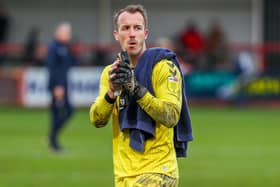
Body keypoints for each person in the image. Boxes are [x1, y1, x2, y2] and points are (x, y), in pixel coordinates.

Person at [89, 4, 193, 187]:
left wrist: (135, 88)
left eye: (137, 28)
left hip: (158, 172)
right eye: (125, 28)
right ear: (116, 35)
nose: (131, 34)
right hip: (123, 175)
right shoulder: (111, 73)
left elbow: (170, 116)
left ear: (145, 33)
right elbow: (97, 120)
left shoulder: (163, 67)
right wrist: (111, 94)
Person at [46, 22, 76, 152]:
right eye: (67, 33)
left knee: (61, 113)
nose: (69, 35)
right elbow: (52, 69)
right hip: (57, 87)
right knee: (64, 112)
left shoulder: (64, 48)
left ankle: (52, 139)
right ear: (58, 33)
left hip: (62, 86)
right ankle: (53, 140)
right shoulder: (54, 48)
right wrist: (57, 86)